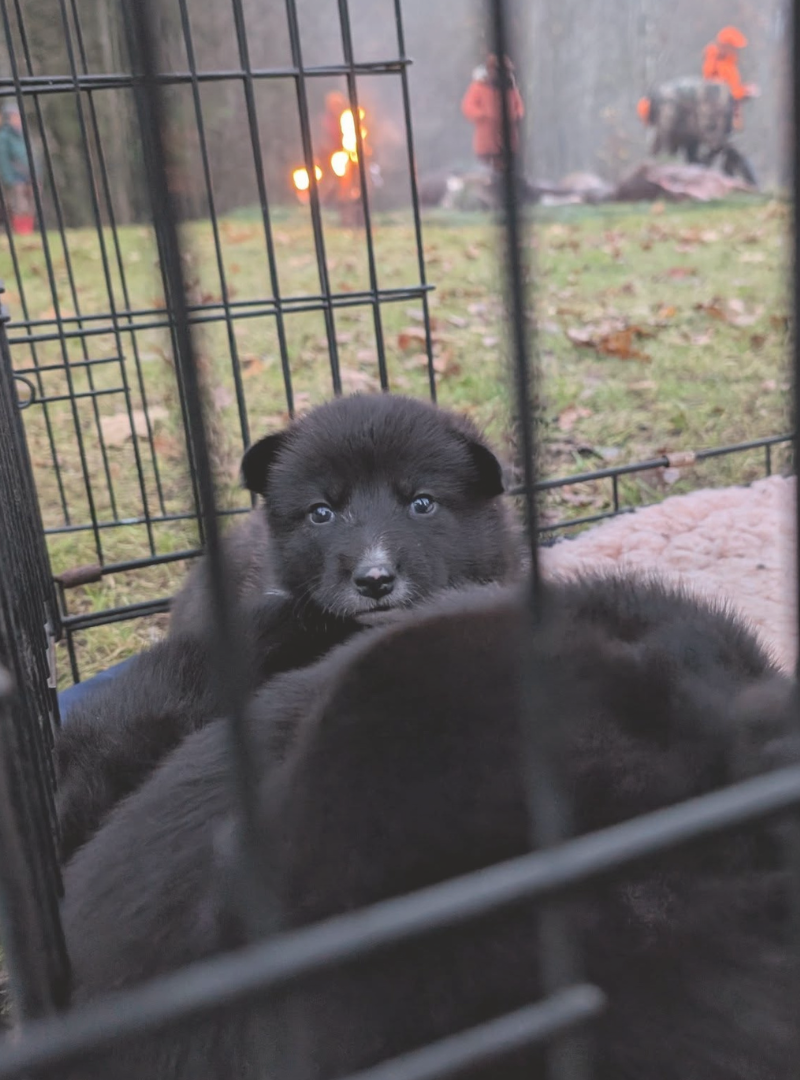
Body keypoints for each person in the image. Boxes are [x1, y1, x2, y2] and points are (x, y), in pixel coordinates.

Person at [461, 54, 524, 172]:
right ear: (490, 70)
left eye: (505, 71)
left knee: (507, 172)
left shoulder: (511, 88)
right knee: (488, 173)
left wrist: (514, 116)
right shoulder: (479, 87)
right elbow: (468, 107)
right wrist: (486, 115)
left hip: (509, 142)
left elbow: (519, 108)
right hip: (487, 144)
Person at [702, 26, 759, 128]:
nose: (737, 51)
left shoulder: (729, 64)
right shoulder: (716, 64)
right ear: (725, 46)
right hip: (719, 120)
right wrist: (745, 91)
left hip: (727, 118)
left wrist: (744, 90)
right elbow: (721, 94)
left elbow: (731, 89)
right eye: (734, 47)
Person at [0, 102, 35, 234]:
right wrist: (9, 178)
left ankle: (28, 230)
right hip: (15, 178)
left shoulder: (23, 134)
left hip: (29, 176)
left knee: (31, 205)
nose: (18, 119)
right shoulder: (4, 136)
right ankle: (21, 231)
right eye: (15, 116)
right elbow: (3, 159)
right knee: (18, 206)